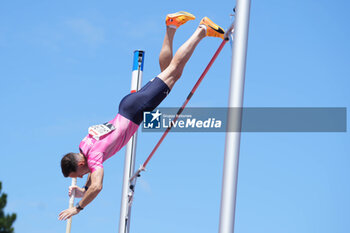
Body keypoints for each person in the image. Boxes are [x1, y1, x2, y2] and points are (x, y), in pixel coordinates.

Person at [58, 11, 225, 221]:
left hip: (136, 110)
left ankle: (202, 30)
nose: (81, 176)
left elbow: (98, 185)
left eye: (78, 175)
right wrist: (83, 189)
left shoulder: (94, 157)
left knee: (174, 72)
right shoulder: (85, 146)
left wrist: (79, 207)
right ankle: (171, 26)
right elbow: (93, 171)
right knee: (167, 72)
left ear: (80, 164)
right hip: (128, 107)